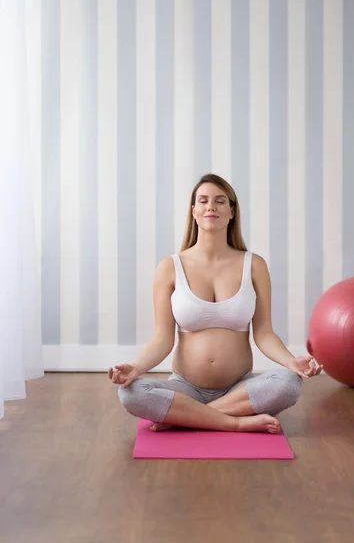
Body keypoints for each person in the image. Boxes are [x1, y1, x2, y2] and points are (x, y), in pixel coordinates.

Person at [108, 174, 322, 434]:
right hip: (185, 387)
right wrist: (136, 368)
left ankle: (184, 417)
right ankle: (234, 422)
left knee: (290, 383)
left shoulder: (254, 265)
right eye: (204, 201)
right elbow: (163, 339)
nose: (212, 206)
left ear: (232, 212)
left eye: (220, 201)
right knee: (131, 393)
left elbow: (264, 333)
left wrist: (291, 362)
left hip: (239, 389)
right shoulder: (169, 268)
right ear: (194, 211)